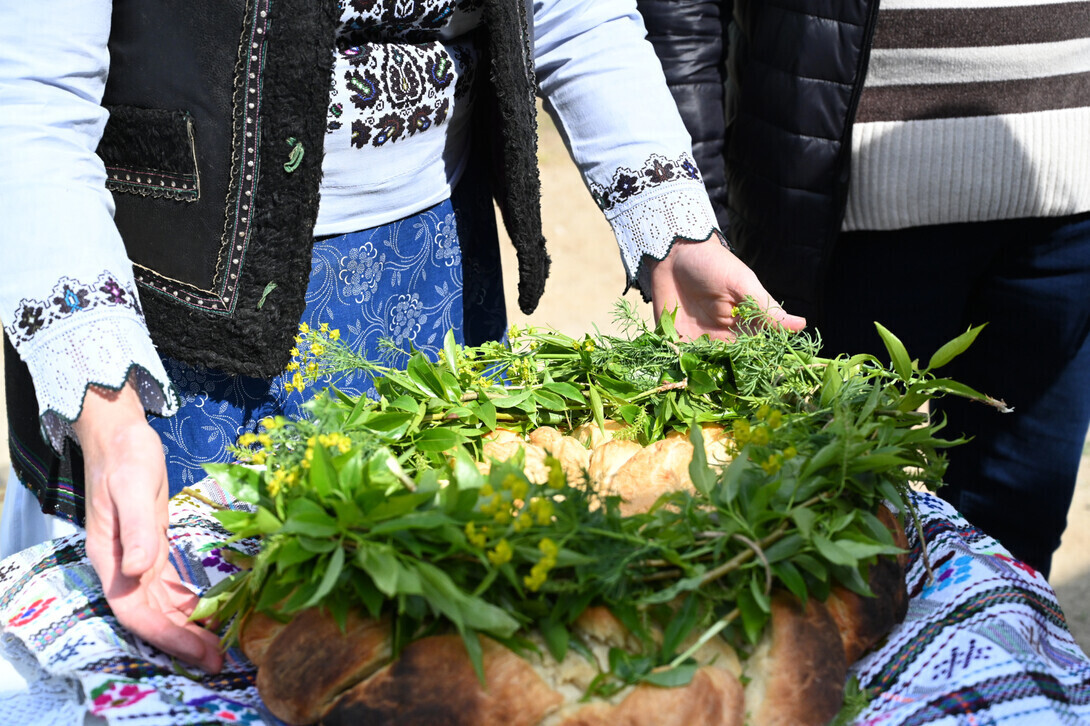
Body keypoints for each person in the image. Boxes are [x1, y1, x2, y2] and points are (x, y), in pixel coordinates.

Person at [0, 0, 803, 673]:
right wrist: (105, 409)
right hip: (173, 336)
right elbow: (28, 100)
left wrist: (670, 227)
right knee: (225, 655)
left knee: (430, 657)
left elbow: (575, 11)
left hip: (433, 281)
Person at [637, 0, 1090, 578]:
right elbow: (680, 14)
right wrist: (690, 210)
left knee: (1014, 552)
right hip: (836, 219)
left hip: (1070, 202)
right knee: (806, 538)